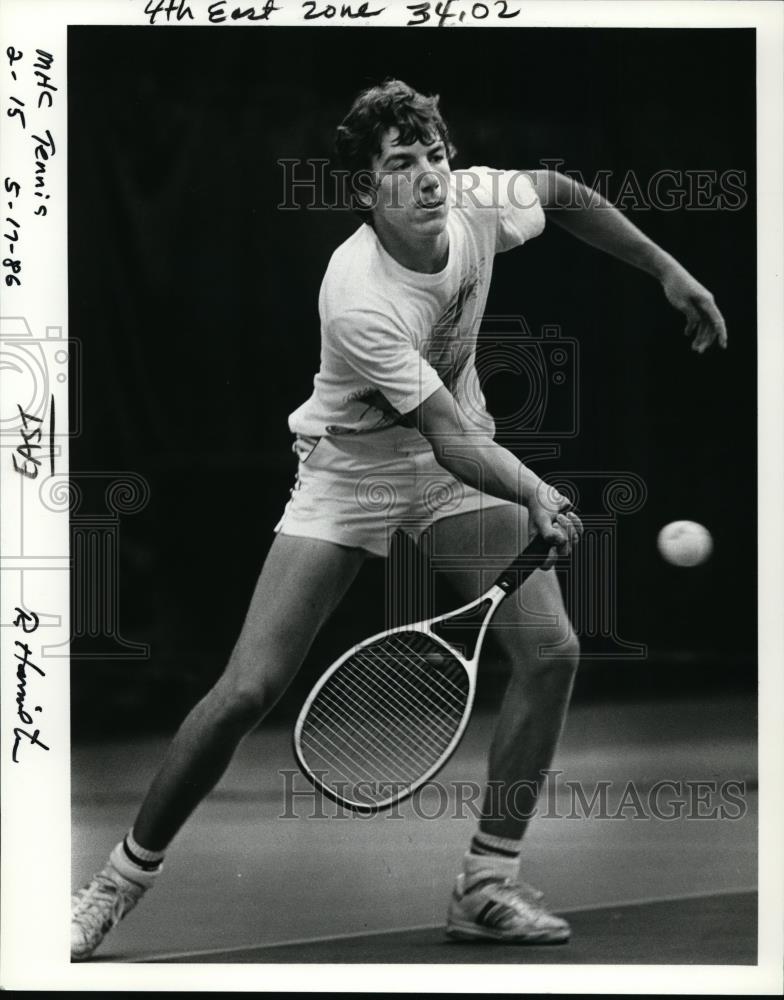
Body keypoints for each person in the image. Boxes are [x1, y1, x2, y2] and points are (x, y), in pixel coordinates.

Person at [71, 79, 727, 959]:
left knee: (552, 650)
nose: (427, 177)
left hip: (452, 468)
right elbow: (450, 438)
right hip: (352, 474)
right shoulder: (358, 294)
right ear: (365, 191)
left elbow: (566, 196)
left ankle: (486, 885)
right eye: (400, 164)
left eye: (435, 155)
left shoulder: (478, 202)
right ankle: (115, 885)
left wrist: (667, 268)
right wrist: (534, 491)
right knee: (247, 691)